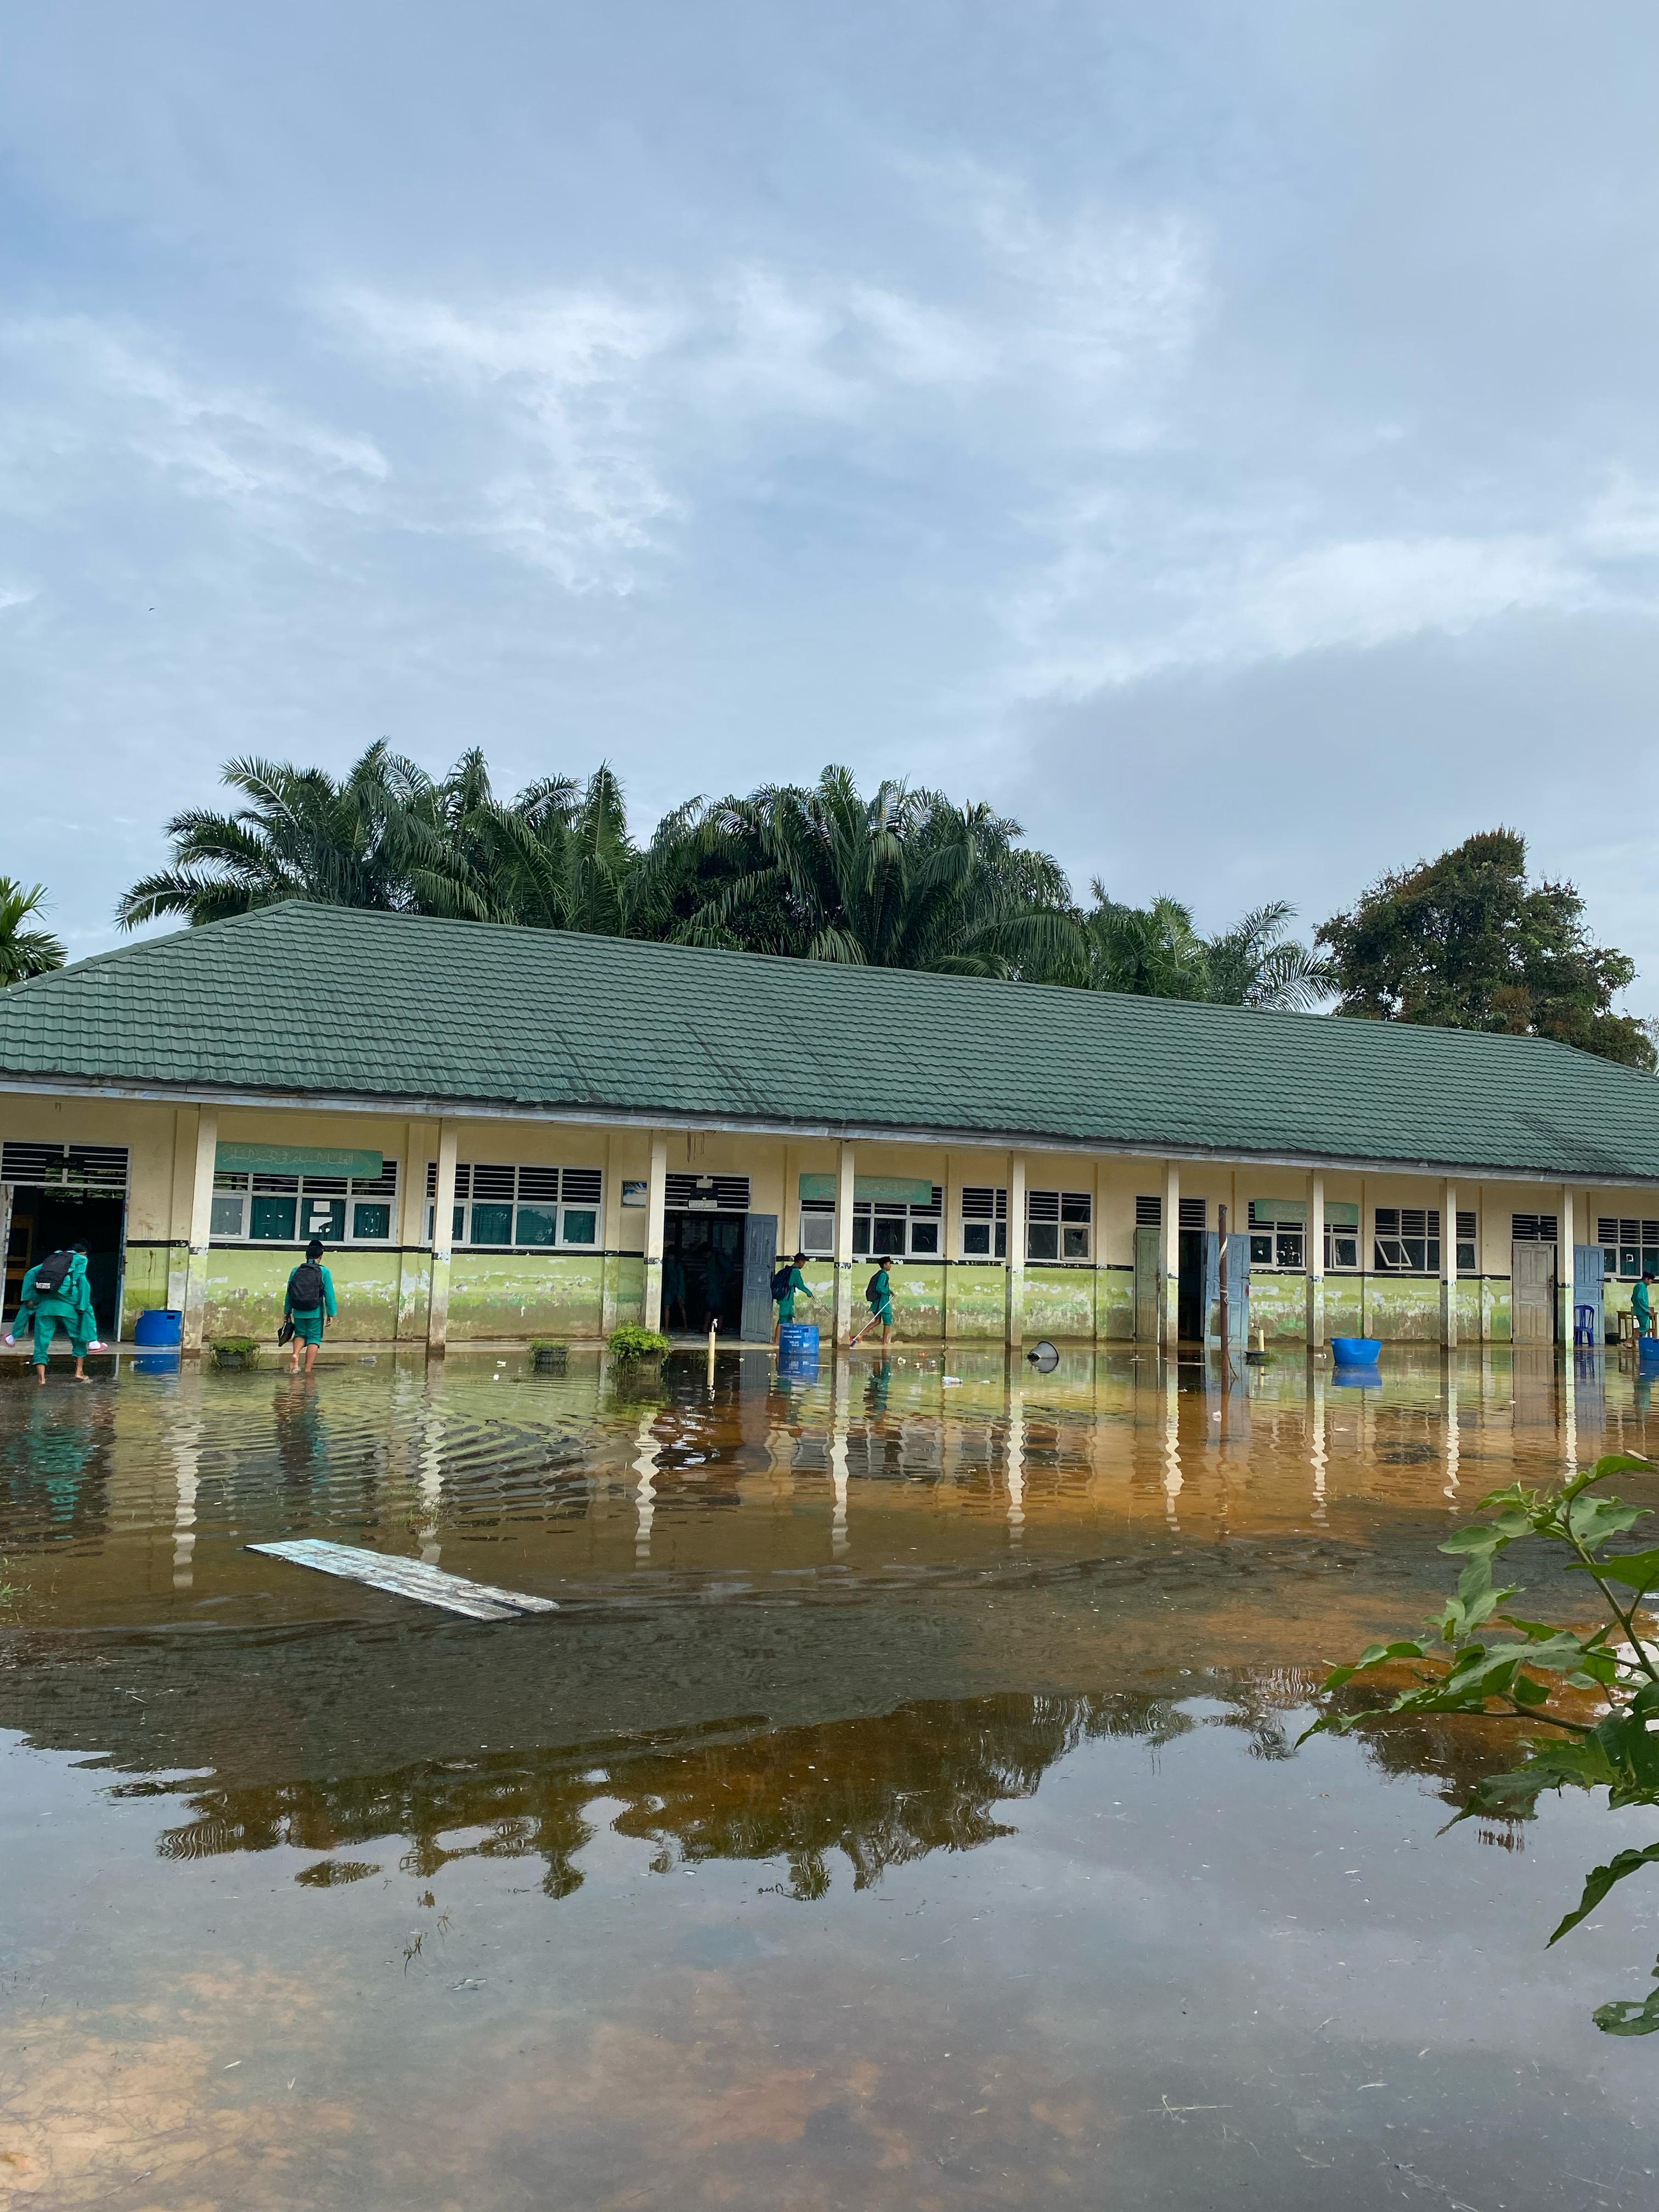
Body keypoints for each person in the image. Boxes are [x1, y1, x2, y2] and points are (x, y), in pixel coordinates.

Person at [4, 1242, 103, 1384]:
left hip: (45, 1307)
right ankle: (79, 1372)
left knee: (41, 1343)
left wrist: (28, 1298)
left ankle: (42, 1379)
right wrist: (82, 1307)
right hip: (69, 1309)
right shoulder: (79, 1263)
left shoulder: (53, 1261)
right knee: (78, 1339)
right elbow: (84, 1286)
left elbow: (31, 1274)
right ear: (83, 1254)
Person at [284, 1239, 337, 1375]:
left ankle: (296, 1355)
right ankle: (308, 1370)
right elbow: (329, 1294)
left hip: (298, 1311)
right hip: (315, 1312)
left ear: (306, 1255)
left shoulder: (296, 1270)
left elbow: (289, 1292)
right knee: (314, 1339)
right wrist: (331, 1313)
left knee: (300, 1334)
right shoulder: (324, 1272)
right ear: (321, 1256)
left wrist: (287, 1311)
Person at [850, 1253, 898, 1350]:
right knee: (888, 1321)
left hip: (878, 1302)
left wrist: (891, 1291)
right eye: (889, 1264)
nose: (890, 1266)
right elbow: (879, 1288)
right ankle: (885, 1343)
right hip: (882, 1302)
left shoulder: (880, 1274)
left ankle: (861, 1335)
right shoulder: (884, 1275)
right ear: (885, 1265)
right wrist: (889, 1292)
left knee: (877, 1321)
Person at [771, 1251, 813, 1344]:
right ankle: (776, 1342)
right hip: (786, 1299)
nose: (803, 1265)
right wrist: (809, 1293)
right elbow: (800, 1285)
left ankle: (790, 1339)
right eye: (803, 1263)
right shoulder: (795, 1271)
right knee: (783, 1318)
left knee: (791, 1317)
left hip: (789, 1299)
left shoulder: (789, 1269)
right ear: (800, 1262)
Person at [1635, 1272, 1657, 1340]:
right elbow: (1640, 1299)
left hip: (1640, 1309)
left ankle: (1642, 1341)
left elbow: (1633, 1299)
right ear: (1646, 1279)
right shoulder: (1641, 1286)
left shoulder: (1640, 1286)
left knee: (1645, 1328)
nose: (1651, 1283)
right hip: (1642, 1311)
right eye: (1651, 1281)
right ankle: (1629, 1341)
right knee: (1645, 1327)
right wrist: (1647, 1310)